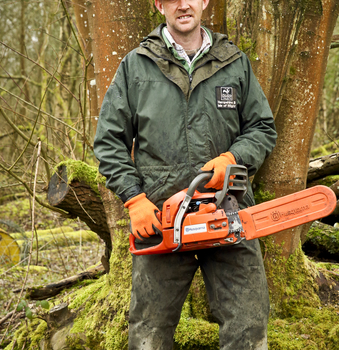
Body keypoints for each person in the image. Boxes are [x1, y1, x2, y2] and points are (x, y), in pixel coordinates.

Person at [94, 0, 277, 348]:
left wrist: (234, 157)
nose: (183, 4)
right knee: (149, 329)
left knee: (249, 325)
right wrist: (134, 199)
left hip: (228, 210)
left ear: (204, 1)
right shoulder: (136, 67)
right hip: (162, 216)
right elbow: (109, 141)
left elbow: (262, 127)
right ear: (158, 4)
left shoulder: (234, 63)